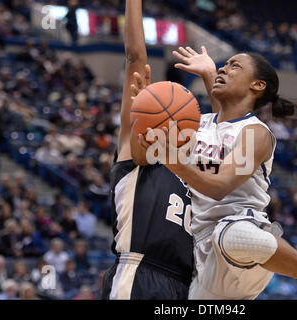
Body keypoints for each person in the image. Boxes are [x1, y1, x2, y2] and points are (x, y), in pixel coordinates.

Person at [136, 47, 297, 300]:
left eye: (233, 66)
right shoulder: (202, 123)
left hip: (241, 246)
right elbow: (219, 124)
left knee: (232, 231)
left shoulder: (255, 133)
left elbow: (218, 186)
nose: (223, 70)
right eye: (222, 66)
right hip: (198, 252)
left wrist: (169, 155)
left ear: (258, 85)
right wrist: (142, 110)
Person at [101, 0, 193, 300]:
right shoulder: (135, 152)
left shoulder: (193, 172)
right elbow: (135, 58)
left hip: (184, 285)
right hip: (138, 275)